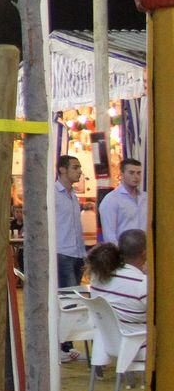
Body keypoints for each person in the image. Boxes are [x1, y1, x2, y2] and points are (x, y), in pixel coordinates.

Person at [54, 155, 88, 361]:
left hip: (76, 253)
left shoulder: (72, 194)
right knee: (66, 301)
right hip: (62, 252)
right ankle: (62, 345)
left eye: (79, 167)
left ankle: (68, 344)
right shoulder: (54, 194)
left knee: (73, 301)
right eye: (75, 167)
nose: (79, 171)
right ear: (62, 170)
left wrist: (83, 253)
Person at [86, 229, 149, 325]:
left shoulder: (98, 273)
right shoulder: (142, 284)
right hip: (136, 337)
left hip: (104, 337)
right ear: (144, 254)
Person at [97, 158, 146, 245]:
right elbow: (109, 235)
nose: (136, 176)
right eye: (131, 173)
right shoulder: (111, 200)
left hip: (145, 252)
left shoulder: (145, 198)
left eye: (138, 173)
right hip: (124, 253)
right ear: (122, 174)